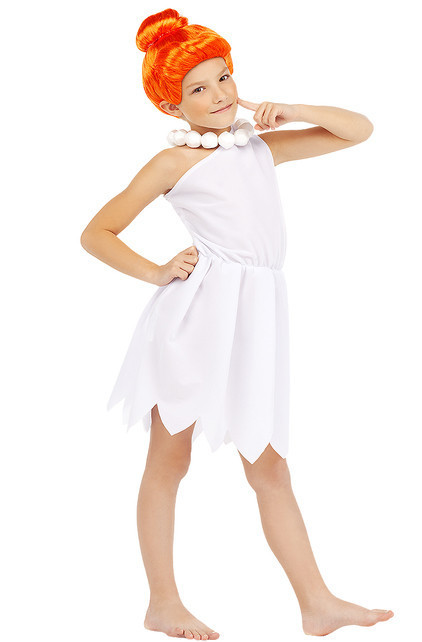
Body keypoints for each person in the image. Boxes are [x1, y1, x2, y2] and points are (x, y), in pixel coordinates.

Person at [80, 8, 393, 640]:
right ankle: (163, 602)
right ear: (171, 104)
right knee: (169, 459)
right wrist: (157, 271)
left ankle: (317, 603)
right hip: (197, 316)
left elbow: (357, 131)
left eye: (223, 77)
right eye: (197, 88)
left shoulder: (258, 149)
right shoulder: (172, 163)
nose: (219, 94)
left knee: (268, 462)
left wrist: (288, 110)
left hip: (256, 317)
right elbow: (97, 232)